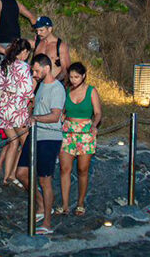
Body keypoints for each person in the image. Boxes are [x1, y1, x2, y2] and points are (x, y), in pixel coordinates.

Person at [14, 53, 66, 234]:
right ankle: (41, 204)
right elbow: (37, 106)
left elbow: (55, 116)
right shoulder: (41, 85)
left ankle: (47, 223)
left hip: (49, 137)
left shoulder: (57, 88)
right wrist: (30, 113)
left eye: (36, 71)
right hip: (35, 134)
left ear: (47, 68)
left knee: (45, 180)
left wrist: (35, 118)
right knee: (21, 173)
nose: (34, 74)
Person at [57, 62, 101, 216]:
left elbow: (98, 113)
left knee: (82, 169)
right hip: (68, 131)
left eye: (76, 77)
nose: (73, 80)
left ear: (83, 76)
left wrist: (94, 125)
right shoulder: (67, 90)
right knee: (64, 169)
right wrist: (62, 116)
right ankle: (64, 204)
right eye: (71, 77)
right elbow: (63, 109)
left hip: (85, 132)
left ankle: (80, 203)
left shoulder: (91, 91)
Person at [0, 38, 35, 186]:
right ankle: (15, 173)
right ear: (24, 52)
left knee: (13, 142)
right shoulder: (24, 66)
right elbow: (27, 90)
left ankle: (7, 177)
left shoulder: (5, 64)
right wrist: (33, 100)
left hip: (4, 106)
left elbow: (0, 84)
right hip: (17, 108)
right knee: (25, 143)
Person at [30, 16, 71, 82]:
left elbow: (66, 70)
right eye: (37, 30)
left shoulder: (61, 46)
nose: (38, 33)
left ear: (50, 29)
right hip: (37, 84)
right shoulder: (38, 44)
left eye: (41, 30)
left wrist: (52, 84)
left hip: (54, 84)